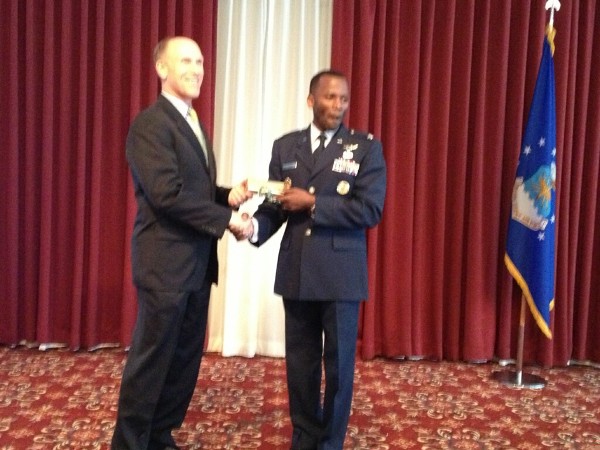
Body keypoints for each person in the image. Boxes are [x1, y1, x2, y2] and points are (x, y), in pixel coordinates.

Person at [111, 36, 252, 450]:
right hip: (165, 266)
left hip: (195, 265)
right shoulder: (151, 124)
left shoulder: (192, 121)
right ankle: (131, 443)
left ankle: (159, 436)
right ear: (161, 68)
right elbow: (166, 195)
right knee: (152, 363)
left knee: (183, 362)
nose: (196, 69)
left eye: (201, 61)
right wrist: (227, 220)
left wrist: (225, 194)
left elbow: (193, 188)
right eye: (185, 61)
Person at [241, 70, 386, 449]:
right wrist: (254, 228)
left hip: (340, 274)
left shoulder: (366, 148)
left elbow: (370, 209)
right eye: (330, 98)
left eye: (343, 99)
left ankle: (330, 442)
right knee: (301, 365)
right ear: (311, 100)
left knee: (338, 366)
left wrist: (315, 203)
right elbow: (276, 207)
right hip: (299, 269)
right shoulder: (286, 148)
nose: (338, 106)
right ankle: (304, 436)